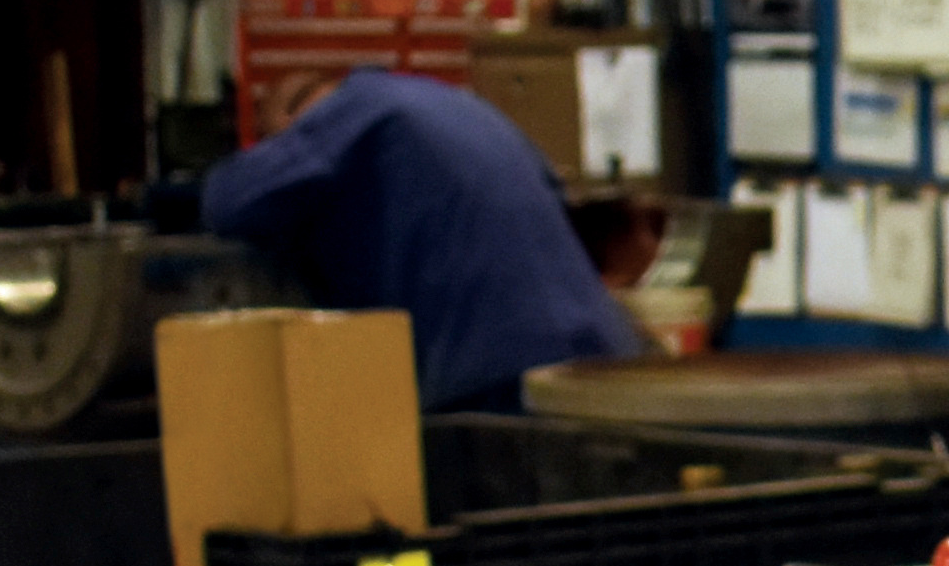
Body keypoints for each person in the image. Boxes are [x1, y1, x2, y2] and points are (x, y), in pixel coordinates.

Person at [194, 67, 644, 411]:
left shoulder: (354, 109)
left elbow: (228, 200)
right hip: (602, 352)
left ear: (303, 116)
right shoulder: (460, 107)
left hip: (497, 372)